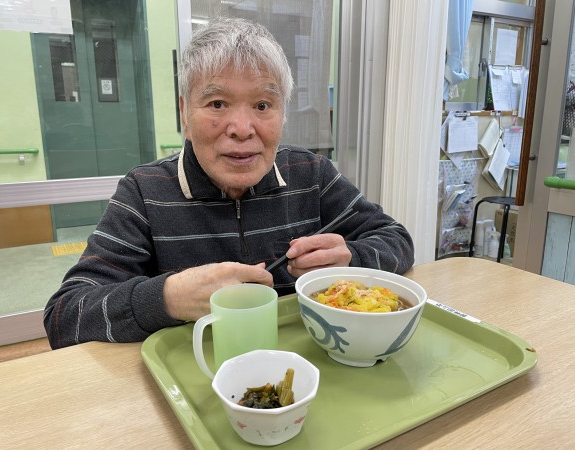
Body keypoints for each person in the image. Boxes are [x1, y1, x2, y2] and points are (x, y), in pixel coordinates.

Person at [44, 17, 415, 349]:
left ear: (283, 114)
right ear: (184, 114)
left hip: (306, 368)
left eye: (263, 105)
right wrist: (167, 297)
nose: (241, 129)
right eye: (218, 104)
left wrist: (350, 261)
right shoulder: (144, 191)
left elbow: (396, 238)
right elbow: (65, 316)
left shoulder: (311, 173)